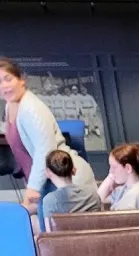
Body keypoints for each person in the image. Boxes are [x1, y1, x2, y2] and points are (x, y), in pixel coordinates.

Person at [0, 57, 98, 226]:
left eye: (8, 79)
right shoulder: (11, 106)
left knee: (60, 238)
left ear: (21, 80)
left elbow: (45, 150)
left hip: (65, 181)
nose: (4, 86)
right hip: (48, 180)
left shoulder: (30, 108)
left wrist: (33, 187)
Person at [39, 148, 101, 226]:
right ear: (74, 169)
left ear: (48, 172)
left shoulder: (49, 201)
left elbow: (50, 230)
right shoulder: (92, 195)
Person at [97, 142, 139, 211]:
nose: (110, 171)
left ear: (128, 168)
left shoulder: (138, 195)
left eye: (114, 167)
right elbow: (100, 198)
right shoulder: (123, 189)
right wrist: (110, 177)